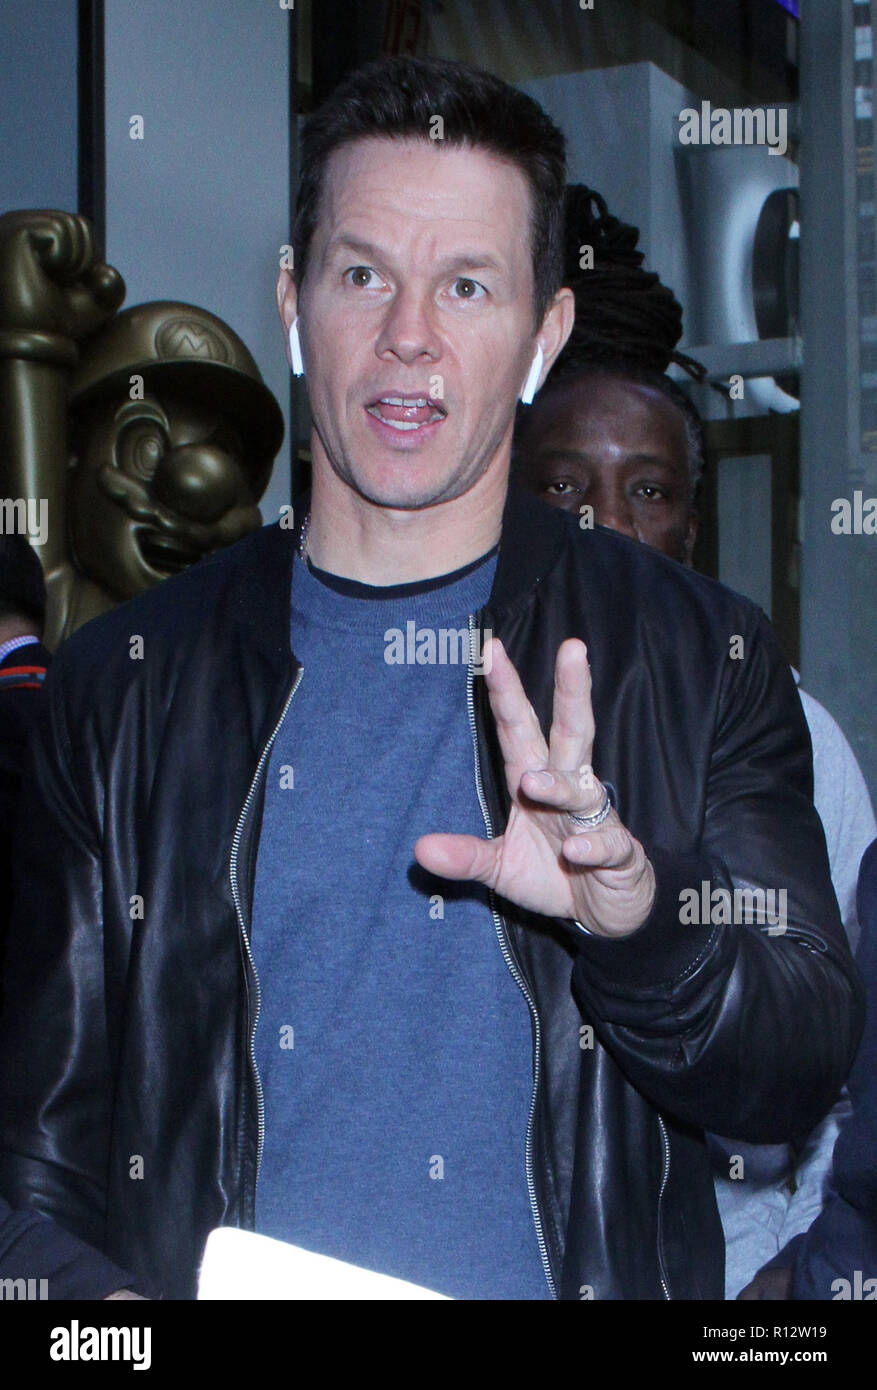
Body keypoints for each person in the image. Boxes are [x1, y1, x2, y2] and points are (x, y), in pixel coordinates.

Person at [0, 55, 863, 1301]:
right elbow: (35, 1167)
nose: (409, 336)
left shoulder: (697, 657)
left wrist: (639, 919)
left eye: (467, 284)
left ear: (541, 332)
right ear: (294, 301)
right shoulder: (124, 689)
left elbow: (794, 1068)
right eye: (363, 274)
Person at [514, 350, 876, 1299]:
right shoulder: (456, 708)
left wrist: (798, 1262)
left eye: (648, 489)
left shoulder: (791, 740)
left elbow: (843, 1059)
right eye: (561, 484)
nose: (604, 520)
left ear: (691, 527)